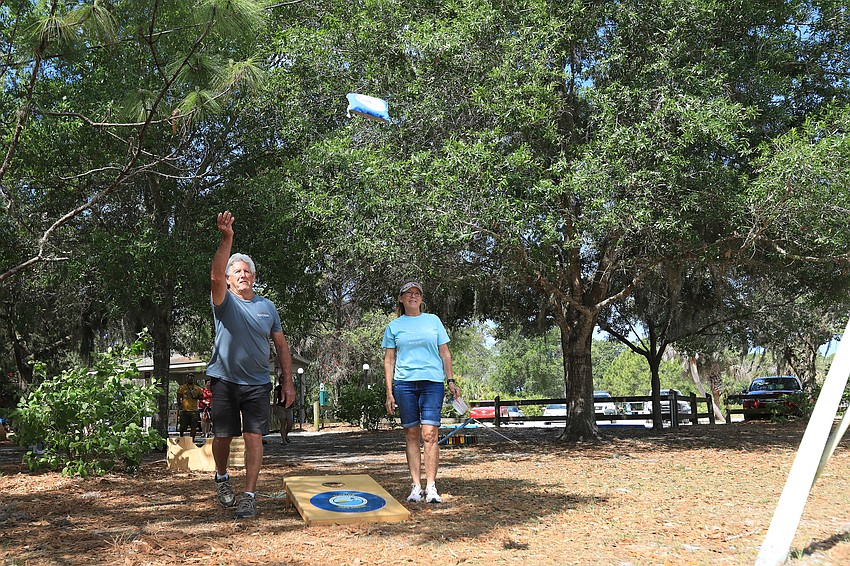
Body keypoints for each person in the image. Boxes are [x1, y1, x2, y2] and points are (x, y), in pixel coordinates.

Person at [207, 211, 295, 519]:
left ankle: (249, 495)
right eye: (238, 272)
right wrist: (227, 238)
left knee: (254, 437)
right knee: (222, 437)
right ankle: (221, 478)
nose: (243, 275)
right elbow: (214, 276)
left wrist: (287, 381)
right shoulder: (224, 302)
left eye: (248, 271)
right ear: (230, 280)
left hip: (258, 383)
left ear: (253, 277)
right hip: (224, 380)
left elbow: (281, 346)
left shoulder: (267, 307)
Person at [383, 281, 460, 504]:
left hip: (431, 383)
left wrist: (451, 380)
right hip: (404, 384)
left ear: (421, 299)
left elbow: (445, 353)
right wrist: (389, 392)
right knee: (411, 434)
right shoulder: (394, 326)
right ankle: (416, 486)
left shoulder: (433, 321)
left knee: (430, 434)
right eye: (408, 294)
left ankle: (431, 487)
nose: (413, 297)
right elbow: (389, 360)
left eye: (417, 294)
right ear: (401, 299)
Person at [176, 374, 201, 438]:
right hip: (185, 410)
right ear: (187, 379)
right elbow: (178, 397)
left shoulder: (197, 388)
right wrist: (179, 404)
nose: (190, 380)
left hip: (194, 410)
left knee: (194, 426)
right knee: (182, 427)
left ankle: (192, 440)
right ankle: (181, 438)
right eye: (189, 378)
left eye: (192, 378)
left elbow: (202, 397)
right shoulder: (182, 387)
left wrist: (196, 397)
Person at [273, 374, 294, 444]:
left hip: (289, 407)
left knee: (290, 424)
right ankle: (283, 440)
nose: (283, 379)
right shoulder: (277, 388)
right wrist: (274, 406)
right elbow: (275, 399)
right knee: (283, 423)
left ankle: (285, 435)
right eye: (282, 377)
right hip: (281, 407)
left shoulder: (290, 387)